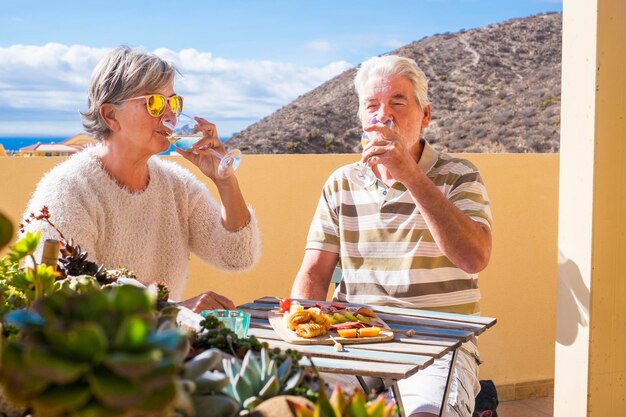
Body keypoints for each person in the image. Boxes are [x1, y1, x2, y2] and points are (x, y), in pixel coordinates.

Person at [291, 55, 492, 417]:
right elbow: (314, 273)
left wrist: (411, 175)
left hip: (438, 345)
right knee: (288, 404)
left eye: (397, 103)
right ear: (361, 119)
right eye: (371, 106)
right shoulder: (342, 182)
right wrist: (303, 336)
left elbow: (474, 257)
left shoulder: (459, 175)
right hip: (352, 340)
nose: (382, 116)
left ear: (425, 115)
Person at [21, 46, 261, 312]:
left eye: (174, 102)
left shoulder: (177, 186)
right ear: (111, 115)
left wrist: (225, 181)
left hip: (159, 346)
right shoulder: (68, 190)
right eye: (155, 103)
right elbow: (67, 298)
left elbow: (237, 257)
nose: (171, 115)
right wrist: (173, 311)